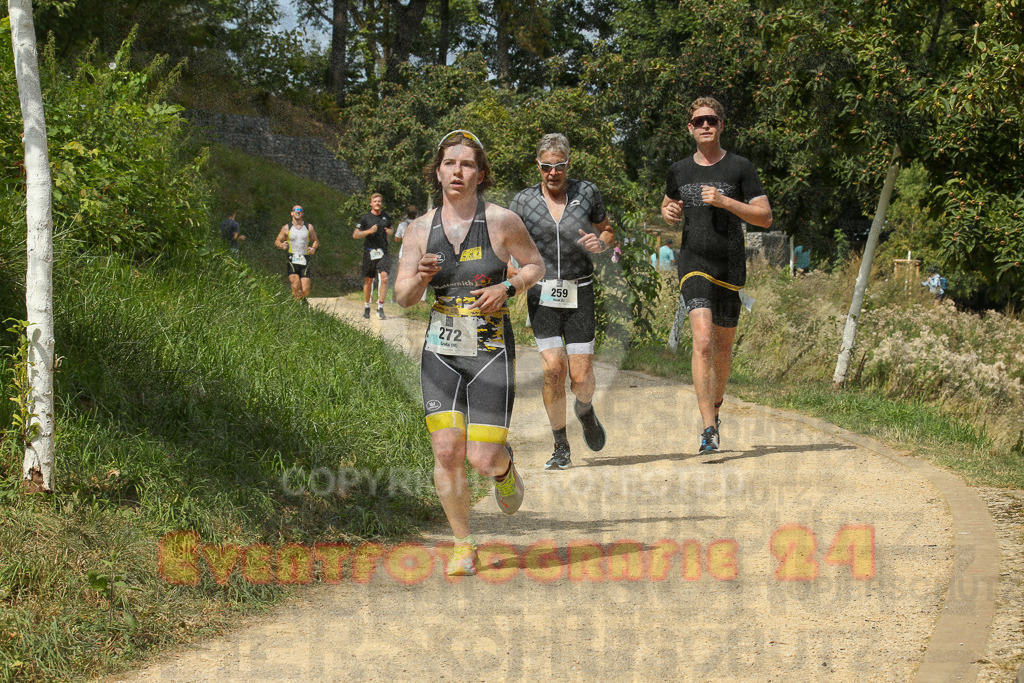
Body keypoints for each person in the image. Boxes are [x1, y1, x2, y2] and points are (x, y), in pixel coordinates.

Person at [395, 130, 545, 576]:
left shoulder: (502, 221)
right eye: (449, 163)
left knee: (481, 459)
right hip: (441, 352)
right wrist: (421, 278)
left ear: (480, 174)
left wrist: (508, 287)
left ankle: (504, 468)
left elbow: (535, 265)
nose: (457, 171)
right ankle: (463, 544)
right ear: (438, 172)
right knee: (446, 451)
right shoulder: (419, 230)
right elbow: (402, 296)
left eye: (467, 164)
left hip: (490, 350)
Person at [660, 96, 773, 454]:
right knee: (704, 340)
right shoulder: (679, 170)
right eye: (699, 121)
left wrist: (725, 201)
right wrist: (669, 212)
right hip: (694, 261)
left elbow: (765, 217)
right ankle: (708, 427)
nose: (705, 125)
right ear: (690, 129)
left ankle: (717, 407)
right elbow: (668, 203)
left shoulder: (740, 167)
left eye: (711, 120)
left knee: (723, 348)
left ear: (721, 125)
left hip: (730, 265)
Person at [509, 133, 614, 471]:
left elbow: (608, 230)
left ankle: (585, 409)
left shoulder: (587, 192)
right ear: (537, 166)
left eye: (559, 166)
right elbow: (504, 240)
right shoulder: (523, 201)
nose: (552, 173)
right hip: (542, 294)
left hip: (580, 291)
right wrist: (512, 270)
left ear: (569, 164)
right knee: (554, 370)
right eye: (546, 167)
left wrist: (601, 242)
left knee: (581, 378)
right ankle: (560, 445)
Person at [353, 193, 392, 319]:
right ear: (371, 203)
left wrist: (390, 232)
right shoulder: (365, 218)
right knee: (369, 280)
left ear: (382, 203)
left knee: (384, 278)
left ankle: (380, 307)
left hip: (383, 252)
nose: (377, 203)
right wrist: (369, 231)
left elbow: (391, 228)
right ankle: (367, 306)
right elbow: (355, 234)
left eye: (379, 201)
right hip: (370, 252)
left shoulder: (386, 216)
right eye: (375, 201)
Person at [274, 205, 319, 303]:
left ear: (302, 213)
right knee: (295, 285)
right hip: (292, 258)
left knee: (306, 289)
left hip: (305, 258)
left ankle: (302, 299)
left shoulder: (308, 227)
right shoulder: (287, 228)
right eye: (295, 210)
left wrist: (313, 248)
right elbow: (277, 241)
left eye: (300, 211)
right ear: (292, 213)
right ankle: (296, 305)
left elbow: (315, 240)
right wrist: (282, 245)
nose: (297, 212)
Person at [391, 204, 417, 303]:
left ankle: (395, 298)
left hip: (403, 253)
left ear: (407, 214)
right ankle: (410, 298)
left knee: (399, 276)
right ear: (416, 214)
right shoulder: (420, 224)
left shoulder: (402, 225)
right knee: (413, 277)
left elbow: (396, 239)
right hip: (416, 254)